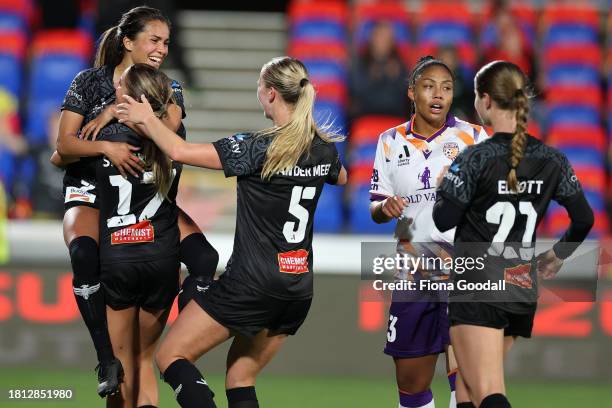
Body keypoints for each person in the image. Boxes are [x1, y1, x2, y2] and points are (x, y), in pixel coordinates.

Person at [116, 56, 347, 408]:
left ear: (270, 93)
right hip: (297, 287)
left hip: (252, 283)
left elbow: (179, 150)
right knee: (240, 377)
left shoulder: (257, 148)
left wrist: (147, 118)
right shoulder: (323, 149)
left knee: (171, 356)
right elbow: (341, 176)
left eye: (258, 84)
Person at [53, 6, 218, 397]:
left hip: (143, 196)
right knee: (82, 254)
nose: (162, 49)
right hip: (91, 192)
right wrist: (107, 145)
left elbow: (172, 127)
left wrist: (115, 110)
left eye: (166, 42)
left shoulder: (167, 86)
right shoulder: (88, 82)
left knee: (204, 259)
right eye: (154, 40)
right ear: (127, 42)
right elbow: (61, 150)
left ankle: (184, 343)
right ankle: (105, 357)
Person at [433, 61, 594, 408]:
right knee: (467, 389)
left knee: (489, 390)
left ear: (486, 100)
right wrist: (556, 257)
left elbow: (444, 219)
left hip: (477, 283)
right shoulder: (553, 159)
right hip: (519, 284)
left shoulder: (475, 158)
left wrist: (444, 184)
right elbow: (583, 218)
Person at [369, 56, 488, 408]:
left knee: (464, 376)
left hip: (461, 264)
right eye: (429, 86)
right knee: (410, 381)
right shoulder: (388, 142)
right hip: (412, 267)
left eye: (447, 88)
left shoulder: (473, 136)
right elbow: (376, 206)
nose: (438, 95)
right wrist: (384, 208)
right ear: (412, 92)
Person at [99, 63, 182, 408]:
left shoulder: (107, 138)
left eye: (121, 86)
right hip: (162, 257)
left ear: (129, 97)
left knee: (119, 367)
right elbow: (172, 117)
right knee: (144, 360)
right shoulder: (175, 139)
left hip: (119, 256)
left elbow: (62, 155)